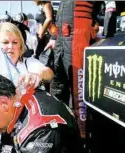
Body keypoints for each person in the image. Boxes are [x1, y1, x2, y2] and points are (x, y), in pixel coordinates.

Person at [45, 1, 103, 139]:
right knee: (57, 87)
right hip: (61, 37)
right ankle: (58, 132)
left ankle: (82, 135)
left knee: (78, 91)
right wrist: (54, 37)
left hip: (79, 35)